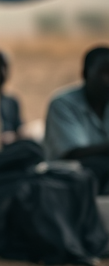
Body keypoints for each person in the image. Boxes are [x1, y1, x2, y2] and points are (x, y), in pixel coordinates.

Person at [44, 45, 109, 192]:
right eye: (104, 73)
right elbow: (73, 153)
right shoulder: (63, 104)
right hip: (66, 182)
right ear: (86, 74)